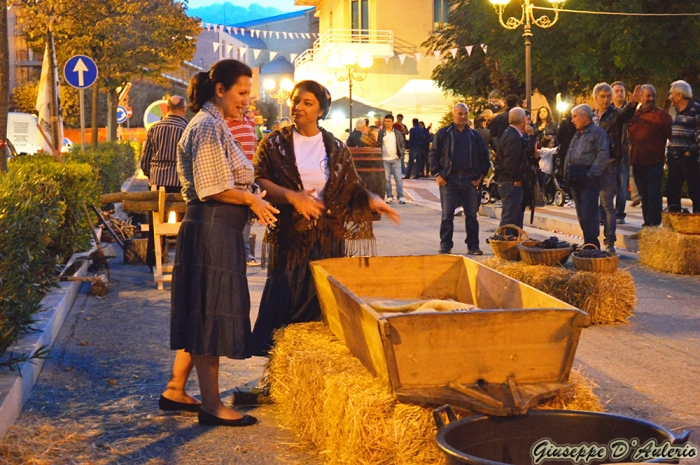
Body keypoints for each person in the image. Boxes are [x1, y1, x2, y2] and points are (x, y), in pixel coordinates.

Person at [161, 59, 278, 427]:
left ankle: (176, 389)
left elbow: (231, 179)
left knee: (200, 310)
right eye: (242, 93)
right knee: (210, 313)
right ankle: (212, 406)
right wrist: (252, 200)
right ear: (221, 90)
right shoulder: (209, 126)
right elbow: (214, 187)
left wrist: (252, 193)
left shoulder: (213, 123)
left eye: (249, 93)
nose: (246, 100)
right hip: (212, 228)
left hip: (213, 227)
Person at [250, 80, 398, 355]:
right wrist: (293, 197)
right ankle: (277, 377)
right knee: (284, 304)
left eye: (308, 103)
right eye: (296, 101)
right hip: (290, 240)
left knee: (321, 305)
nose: (299, 107)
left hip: (327, 240)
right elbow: (258, 181)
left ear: (321, 111)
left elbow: (351, 186)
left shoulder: (335, 146)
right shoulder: (274, 143)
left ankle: (314, 370)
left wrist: (372, 200)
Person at [429, 103, 490, 255]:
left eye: (465, 114)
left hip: (470, 179)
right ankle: (445, 245)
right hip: (449, 179)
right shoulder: (444, 133)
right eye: (460, 114)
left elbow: (484, 157)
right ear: (453, 115)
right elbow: (433, 155)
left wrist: (480, 176)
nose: (463, 117)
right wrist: (437, 174)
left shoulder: (474, 135)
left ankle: (473, 245)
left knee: (471, 215)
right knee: (447, 215)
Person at [139, 95, 188, 270]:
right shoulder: (187, 129)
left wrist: (151, 175)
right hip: (181, 183)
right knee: (183, 226)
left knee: (155, 224)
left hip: (157, 183)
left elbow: (145, 160)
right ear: (184, 109)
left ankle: (154, 260)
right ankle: (183, 262)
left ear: (166, 109)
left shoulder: (154, 129)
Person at [592, 82, 641, 252]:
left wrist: (633, 103)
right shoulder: (591, 116)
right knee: (591, 205)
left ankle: (610, 241)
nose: (606, 100)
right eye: (602, 96)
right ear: (595, 98)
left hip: (608, 164)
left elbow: (624, 114)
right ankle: (591, 241)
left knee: (607, 205)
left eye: (608, 96)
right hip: (591, 167)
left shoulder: (615, 115)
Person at [627, 85, 672, 233]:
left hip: (655, 162)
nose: (651, 98)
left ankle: (654, 224)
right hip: (637, 161)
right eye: (648, 96)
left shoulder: (662, 116)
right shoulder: (634, 115)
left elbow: (672, 137)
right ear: (640, 97)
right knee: (644, 196)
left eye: (653, 95)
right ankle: (647, 223)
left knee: (654, 195)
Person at [564, 104, 610, 249]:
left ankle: (591, 243)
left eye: (574, 116)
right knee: (581, 213)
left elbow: (603, 154)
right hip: (575, 178)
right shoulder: (578, 133)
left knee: (589, 212)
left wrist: (591, 174)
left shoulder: (597, 133)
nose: (572, 120)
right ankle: (588, 241)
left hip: (588, 179)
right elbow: (570, 154)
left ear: (585, 116)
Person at [494, 108, 537, 230]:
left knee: (516, 216)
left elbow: (524, 153)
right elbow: (511, 162)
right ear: (522, 120)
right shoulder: (512, 136)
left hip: (511, 181)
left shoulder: (514, 134)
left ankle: (513, 243)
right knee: (510, 217)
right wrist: (517, 178)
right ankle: (504, 243)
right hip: (511, 182)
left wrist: (531, 137)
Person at [226, 108, 260, 266]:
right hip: (232, 174)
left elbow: (253, 147)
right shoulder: (225, 123)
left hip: (248, 174)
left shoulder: (250, 122)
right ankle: (238, 251)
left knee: (247, 214)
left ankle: (245, 251)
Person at [666, 80, 700, 212]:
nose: (669, 97)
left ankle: (697, 222)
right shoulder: (677, 111)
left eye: (671, 94)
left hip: (689, 159)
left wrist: (690, 152)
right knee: (672, 191)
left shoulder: (696, 110)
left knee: (695, 190)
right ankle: (674, 222)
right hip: (675, 158)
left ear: (679, 96)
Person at [611, 81, 636, 221]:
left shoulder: (632, 112)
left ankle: (619, 213)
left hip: (625, 151)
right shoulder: (608, 112)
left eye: (622, 90)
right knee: (607, 185)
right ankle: (606, 213)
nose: (619, 93)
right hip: (610, 151)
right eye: (617, 91)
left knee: (622, 183)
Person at [378, 114, 407, 204]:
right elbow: (379, 145)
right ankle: (390, 196)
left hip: (396, 158)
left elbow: (402, 145)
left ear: (392, 122)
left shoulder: (397, 133)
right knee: (387, 179)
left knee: (398, 178)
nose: (386, 123)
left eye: (388, 121)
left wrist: (400, 154)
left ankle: (400, 196)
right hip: (385, 159)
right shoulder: (381, 133)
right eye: (385, 121)